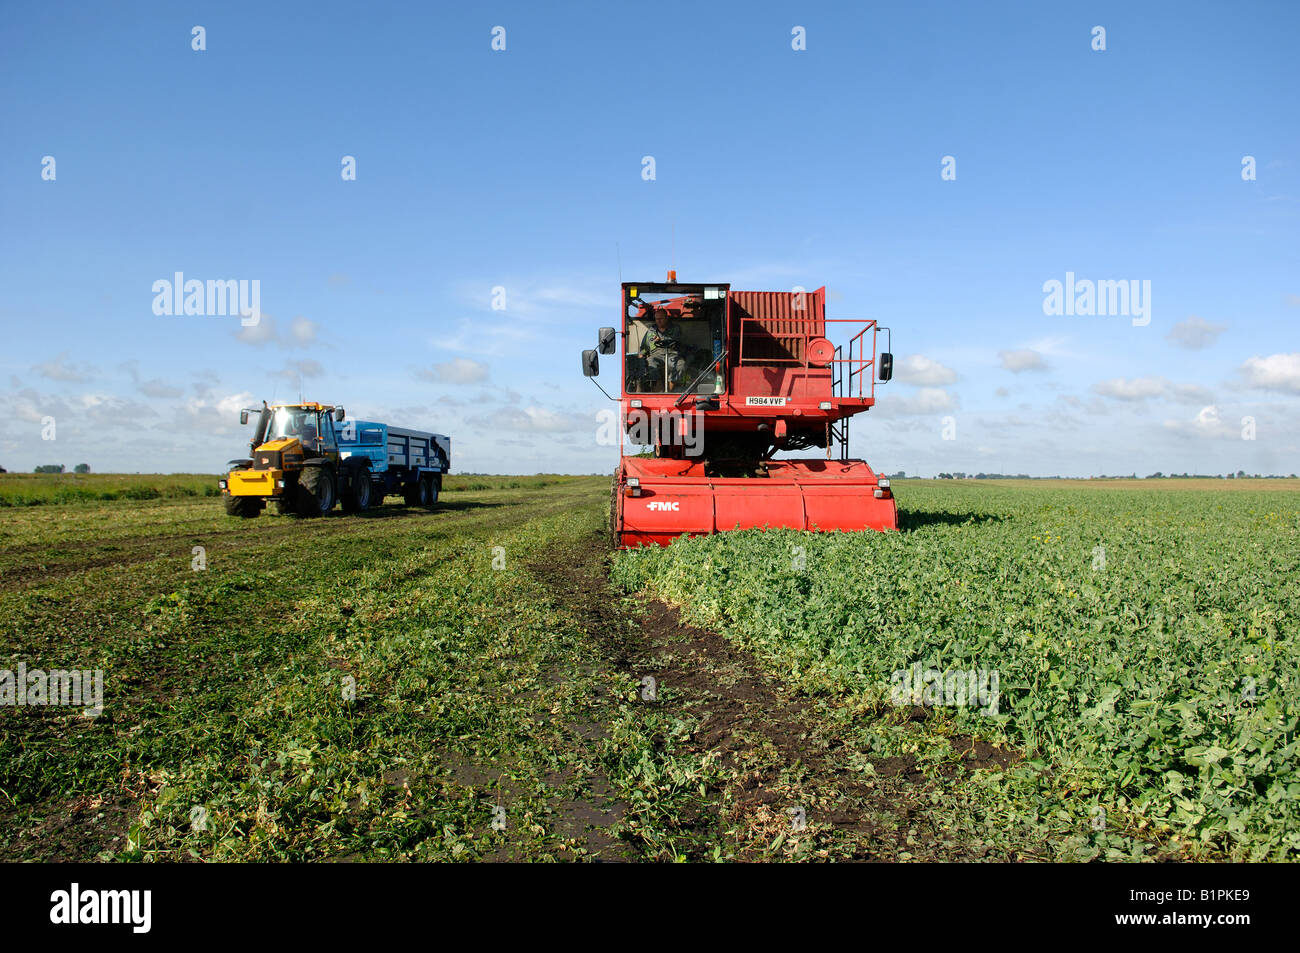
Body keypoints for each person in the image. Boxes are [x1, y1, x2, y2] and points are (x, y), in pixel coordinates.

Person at [638, 308, 687, 391]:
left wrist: (661, 341)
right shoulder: (651, 331)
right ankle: (660, 391)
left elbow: (676, 340)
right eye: (657, 319)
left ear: (666, 318)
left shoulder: (675, 328)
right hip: (656, 355)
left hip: (672, 354)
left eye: (661, 319)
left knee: (681, 364)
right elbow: (644, 347)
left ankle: (670, 391)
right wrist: (640, 357)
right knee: (650, 363)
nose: (658, 321)